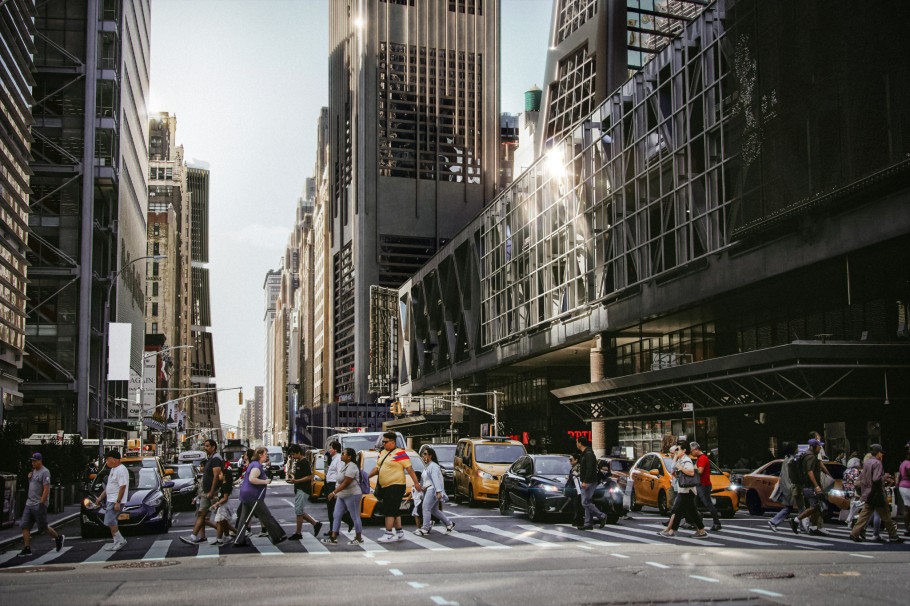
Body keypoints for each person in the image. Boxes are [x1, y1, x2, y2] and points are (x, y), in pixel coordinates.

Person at [369, 431, 421, 543]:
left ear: (392, 442)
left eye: (385, 442)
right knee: (395, 510)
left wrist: (416, 483)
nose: (383, 444)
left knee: (389, 510)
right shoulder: (382, 453)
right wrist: (367, 476)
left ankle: (388, 533)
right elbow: (377, 468)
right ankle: (399, 532)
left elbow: (409, 469)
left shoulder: (400, 453)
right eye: (383, 442)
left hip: (396, 485)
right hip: (385, 486)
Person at [850, 445, 904, 544]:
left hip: (867, 492)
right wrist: (885, 477)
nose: (882, 455)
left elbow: (864, 478)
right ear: (878, 453)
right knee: (886, 515)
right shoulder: (877, 463)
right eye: (881, 453)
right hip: (877, 493)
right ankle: (893, 535)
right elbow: (876, 479)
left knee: (865, 514)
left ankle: (854, 532)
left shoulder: (867, 463)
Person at [233, 447, 287, 546]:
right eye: (266, 453)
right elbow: (252, 479)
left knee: (244, 518)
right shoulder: (257, 466)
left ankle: (238, 540)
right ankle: (278, 536)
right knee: (266, 515)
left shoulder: (253, 464)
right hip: (254, 496)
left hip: (246, 494)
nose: (267, 455)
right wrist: (265, 481)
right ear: (260, 455)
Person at [17, 453, 64, 557]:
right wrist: (29, 478)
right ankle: (27, 548)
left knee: (43, 528)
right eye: (32, 461)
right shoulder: (33, 471)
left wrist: (42, 502)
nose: (33, 463)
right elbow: (33, 485)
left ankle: (58, 538)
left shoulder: (45, 472)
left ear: (40, 461)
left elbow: (46, 488)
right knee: (24, 525)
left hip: (38, 504)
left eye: (35, 461)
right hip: (29, 503)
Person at [657, 442, 708, 538]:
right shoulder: (681, 460)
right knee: (691, 512)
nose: (676, 451)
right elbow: (673, 469)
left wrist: (681, 468)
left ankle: (672, 531)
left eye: (678, 449)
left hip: (687, 491)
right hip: (685, 490)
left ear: (684, 450)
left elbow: (692, 473)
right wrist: (677, 463)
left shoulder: (687, 461)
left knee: (677, 510)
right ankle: (701, 530)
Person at [181, 439, 223, 545]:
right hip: (206, 492)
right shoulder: (210, 458)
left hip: (213, 492)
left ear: (213, 447)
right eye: (205, 446)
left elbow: (216, 477)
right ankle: (193, 536)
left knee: (220, 516)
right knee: (201, 514)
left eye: (208, 446)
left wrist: (212, 491)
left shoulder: (216, 459)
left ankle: (229, 534)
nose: (205, 448)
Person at [321, 448, 364, 545]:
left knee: (355, 516)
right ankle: (333, 537)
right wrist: (337, 493)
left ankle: (358, 537)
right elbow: (340, 481)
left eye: (343, 454)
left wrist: (334, 492)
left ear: (349, 457)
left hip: (352, 494)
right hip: (342, 495)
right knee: (336, 515)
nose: (341, 455)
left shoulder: (352, 466)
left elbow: (346, 482)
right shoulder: (345, 465)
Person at [93, 449, 130, 551]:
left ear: (114, 459)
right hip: (111, 499)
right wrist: (100, 497)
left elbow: (122, 487)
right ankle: (116, 542)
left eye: (107, 459)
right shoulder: (114, 470)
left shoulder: (121, 470)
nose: (106, 461)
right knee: (110, 522)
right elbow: (109, 487)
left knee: (110, 521)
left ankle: (120, 541)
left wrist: (118, 502)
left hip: (115, 500)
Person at [794, 438, 830, 536]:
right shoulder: (810, 457)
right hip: (810, 486)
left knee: (817, 507)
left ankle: (814, 527)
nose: (820, 448)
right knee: (814, 507)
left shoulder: (807, 456)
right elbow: (810, 472)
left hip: (807, 486)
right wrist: (816, 486)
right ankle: (796, 520)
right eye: (819, 446)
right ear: (814, 447)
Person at [414, 447, 454, 535]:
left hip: (432, 490)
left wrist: (439, 491)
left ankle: (425, 528)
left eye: (425, 454)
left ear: (430, 456)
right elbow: (426, 480)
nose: (423, 456)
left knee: (426, 508)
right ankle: (449, 523)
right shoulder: (428, 466)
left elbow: (436, 480)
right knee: (434, 510)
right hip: (428, 489)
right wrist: (422, 489)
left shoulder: (433, 466)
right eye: (423, 454)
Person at [286, 444, 323, 539]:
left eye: (294, 454)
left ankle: (298, 533)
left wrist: (297, 481)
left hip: (303, 490)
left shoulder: (304, 462)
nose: (293, 457)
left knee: (299, 512)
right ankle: (315, 524)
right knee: (300, 511)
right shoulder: (298, 462)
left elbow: (310, 476)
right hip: (299, 489)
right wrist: (293, 479)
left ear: (299, 452)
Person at [768, 442, 801, 532]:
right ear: (794, 450)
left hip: (787, 487)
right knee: (800, 507)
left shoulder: (787, 459)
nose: (798, 450)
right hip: (791, 487)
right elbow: (791, 475)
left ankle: (774, 521)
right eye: (797, 448)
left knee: (790, 508)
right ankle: (774, 521)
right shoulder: (791, 460)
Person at [576, 437, 606, 530]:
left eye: (577, 442)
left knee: (584, 502)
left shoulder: (588, 454)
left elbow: (590, 469)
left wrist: (585, 481)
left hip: (589, 481)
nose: (576, 444)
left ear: (580, 443)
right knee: (587, 502)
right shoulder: (586, 453)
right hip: (589, 480)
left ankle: (601, 515)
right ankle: (588, 523)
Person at [690, 442, 721, 531]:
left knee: (707, 503)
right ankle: (697, 521)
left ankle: (716, 522)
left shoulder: (702, 458)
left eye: (692, 451)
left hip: (703, 484)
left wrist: (690, 471)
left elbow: (700, 471)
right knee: (696, 503)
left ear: (696, 450)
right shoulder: (700, 458)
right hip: (701, 484)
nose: (691, 453)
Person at [210, 464, 236, 545]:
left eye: (220, 474)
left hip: (224, 506)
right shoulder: (223, 485)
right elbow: (222, 497)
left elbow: (225, 498)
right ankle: (228, 536)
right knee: (223, 523)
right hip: (222, 505)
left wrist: (216, 504)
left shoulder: (225, 486)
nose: (219, 475)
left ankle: (219, 539)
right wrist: (216, 498)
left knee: (220, 522)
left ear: (224, 476)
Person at [323, 441, 342, 535]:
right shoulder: (334, 459)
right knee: (331, 509)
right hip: (329, 485)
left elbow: (339, 474)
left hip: (333, 486)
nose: (329, 450)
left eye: (330, 448)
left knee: (332, 509)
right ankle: (333, 529)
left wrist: (336, 491)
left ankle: (334, 530)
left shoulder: (338, 459)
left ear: (335, 449)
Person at [841, 456, 862, 528]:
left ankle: (850, 521)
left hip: (848, 490)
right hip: (854, 490)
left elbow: (843, 482)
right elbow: (856, 481)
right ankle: (850, 519)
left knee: (852, 505)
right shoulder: (855, 471)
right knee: (856, 505)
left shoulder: (846, 471)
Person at [564, 453, 584, 528]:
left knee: (577, 505)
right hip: (574, 490)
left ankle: (578, 520)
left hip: (578, 490)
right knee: (575, 505)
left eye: (571, 459)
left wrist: (577, 474)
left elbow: (582, 476)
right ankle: (576, 520)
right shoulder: (573, 467)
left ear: (576, 460)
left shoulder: (579, 467)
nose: (570, 461)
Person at [898, 442, 910, 537]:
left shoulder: (902, 464)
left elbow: (900, 476)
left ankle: (907, 528)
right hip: (908, 486)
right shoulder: (908, 464)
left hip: (902, 486)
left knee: (907, 508)